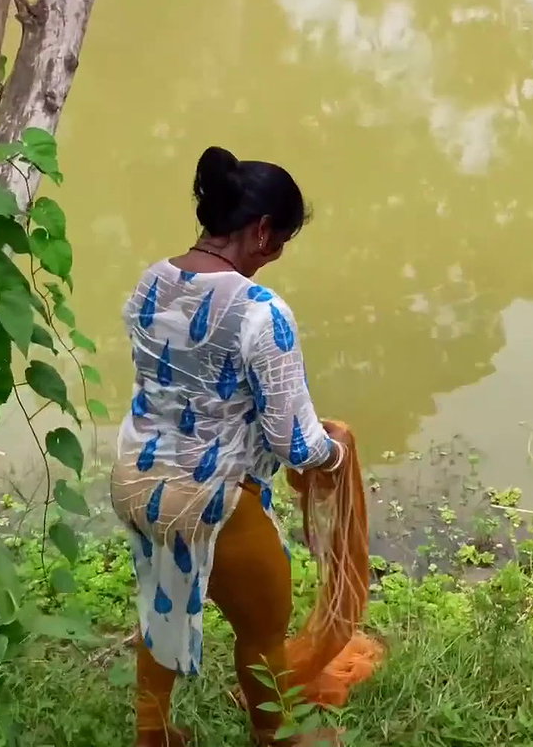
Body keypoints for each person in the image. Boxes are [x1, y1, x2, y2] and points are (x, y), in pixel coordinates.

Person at [110, 146, 347, 746]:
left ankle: (153, 734)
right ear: (262, 230)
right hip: (210, 496)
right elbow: (295, 443)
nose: (276, 256)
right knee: (263, 631)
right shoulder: (261, 312)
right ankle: (279, 738)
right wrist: (337, 452)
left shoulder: (151, 280)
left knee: (161, 605)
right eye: (281, 241)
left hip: (139, 479)